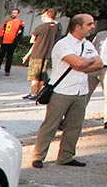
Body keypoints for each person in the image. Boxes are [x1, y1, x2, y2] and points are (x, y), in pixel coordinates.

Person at [31, 14, 103, 168]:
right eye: (89, 24)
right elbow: (77, 64)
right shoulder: (63, 44)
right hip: (62, 91)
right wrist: (86, 63)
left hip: (81, 92)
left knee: (74, 126)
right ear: (78, 26)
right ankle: (38, 156)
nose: (92, 27)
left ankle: (66, 156)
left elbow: (99, 64)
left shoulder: (88, 44)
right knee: (50, 125)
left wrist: (84, 63)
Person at [21, 8, 58, 100]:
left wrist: (28, 55)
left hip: (37, 54)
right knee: (42, 75)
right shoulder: (56, 27)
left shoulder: (40, 27)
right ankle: (39, 93)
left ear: (46, 15)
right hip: (48, 54)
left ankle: (33, 93)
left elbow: (32, 40)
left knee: (34, 76)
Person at [0, 8, 25, 75]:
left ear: (18, 14)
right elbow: (2, 30)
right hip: (4, 41)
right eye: (12, 13)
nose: (13, 14)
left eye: (14, 13)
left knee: (9, 56)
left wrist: (16, 41)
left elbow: (20, 33)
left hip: (12, 42)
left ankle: (7, 70)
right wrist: (0, 38)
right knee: (0, 56)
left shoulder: (20, 23)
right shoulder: (7, 22)